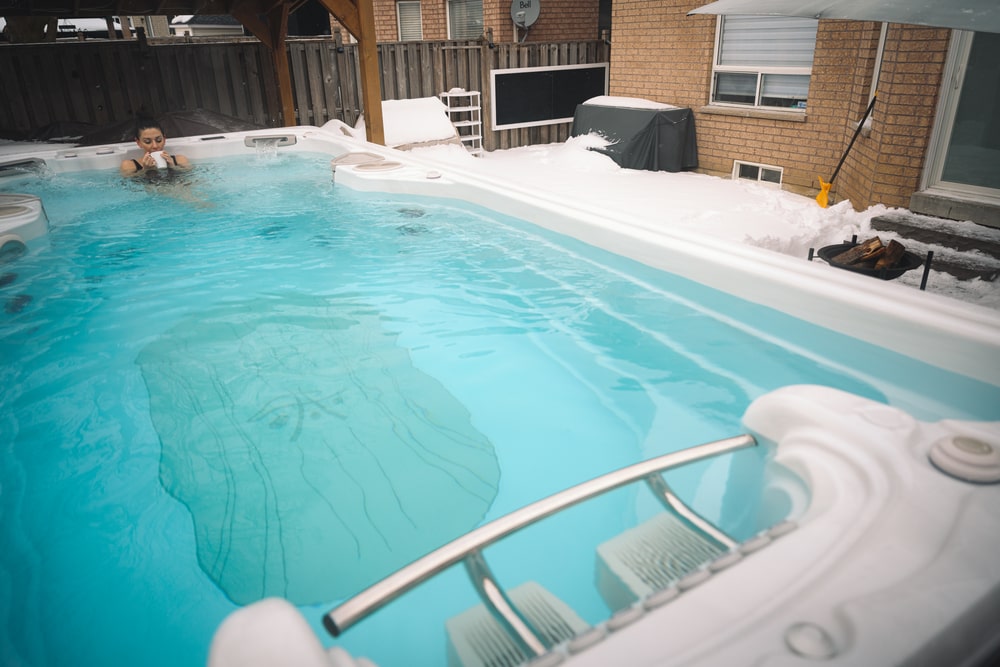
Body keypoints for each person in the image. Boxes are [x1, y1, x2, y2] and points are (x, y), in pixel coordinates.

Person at [120, 117, 192, 177]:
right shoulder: (129, 166)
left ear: (164, 139)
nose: (155, 146)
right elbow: (131, 189)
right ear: (139, 143)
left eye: (159, 140)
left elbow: (191, 179)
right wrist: (145, 170)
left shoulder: (180, 160)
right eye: (148, 142)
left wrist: (173, 167)